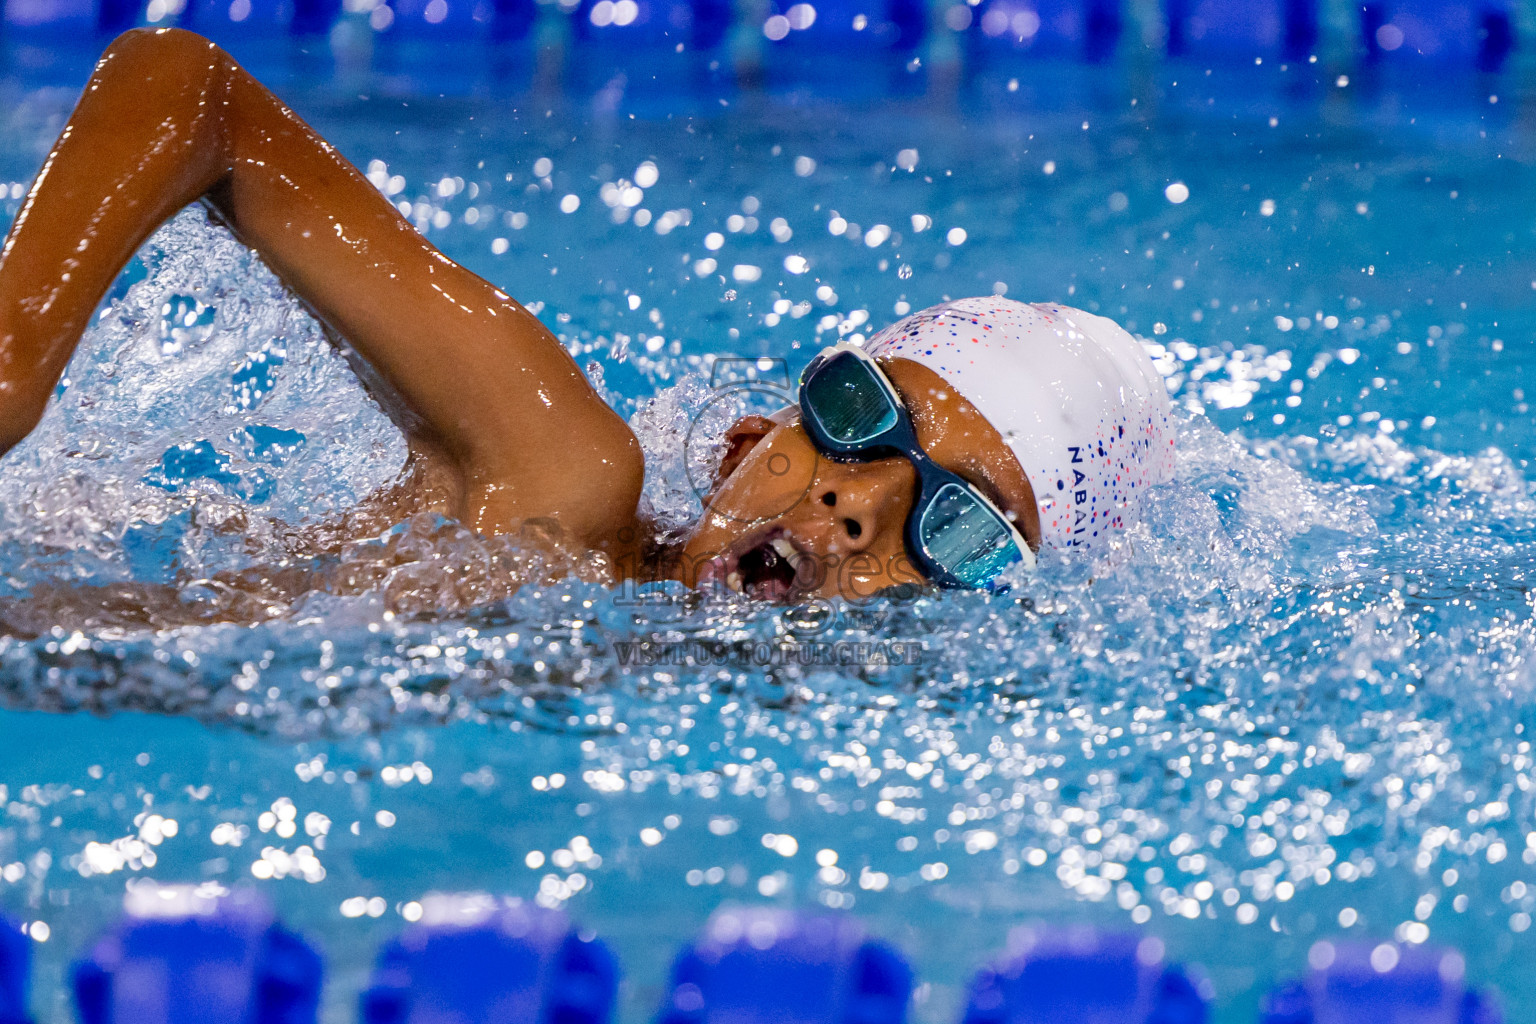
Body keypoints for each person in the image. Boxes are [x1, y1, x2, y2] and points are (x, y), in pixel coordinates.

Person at [0, 28, 1174, 610]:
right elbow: (187, 88)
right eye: (857, 416)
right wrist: (16, 352)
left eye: (960, 527)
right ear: (744, 443)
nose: (859, 502)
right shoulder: (559, 490)